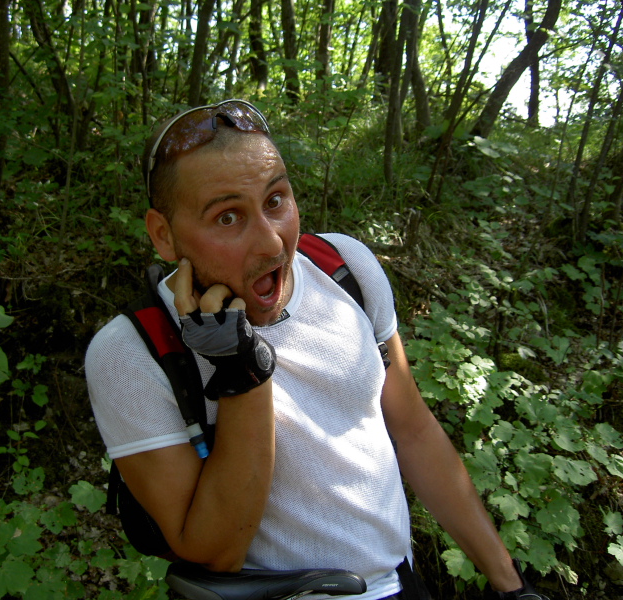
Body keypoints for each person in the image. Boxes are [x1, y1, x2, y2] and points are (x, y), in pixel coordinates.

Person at [85, 99, 549, 600]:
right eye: (227, 217)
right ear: (164, 235)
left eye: (275, 200)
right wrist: (242, 372)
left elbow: (413, 431)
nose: (272, 244)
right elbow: (214, 553)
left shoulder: (345, 268)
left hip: (401, 582)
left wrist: (512, 587)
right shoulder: (130, 354)